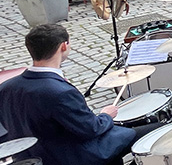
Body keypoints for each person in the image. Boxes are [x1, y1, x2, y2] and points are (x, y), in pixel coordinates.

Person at [0, 24, 137, 164]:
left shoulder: (5, 87)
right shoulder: (61, 93)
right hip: (69, 156)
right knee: (137, 134)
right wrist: (106, 115)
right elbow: (91, 129)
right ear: (63, 46)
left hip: (30, 156)